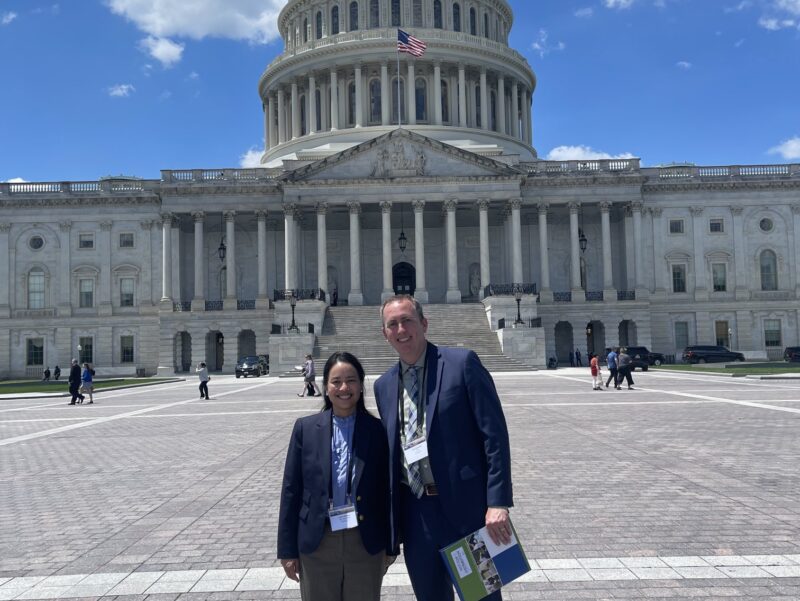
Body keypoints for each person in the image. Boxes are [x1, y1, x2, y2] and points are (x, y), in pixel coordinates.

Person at [374, 295, 513, 601]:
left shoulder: (461, 364)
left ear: (423, 323)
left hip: (467, 512)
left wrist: (498, 502)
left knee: (482, 597)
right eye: (393, 324)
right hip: (416, 516)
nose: (401, 329)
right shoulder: (383, 385)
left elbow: (494, 437)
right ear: (385, 333)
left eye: (408, 320)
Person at [278, 351, 392, 601]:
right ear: (326, 387)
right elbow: (291, 490)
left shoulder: (378, 431)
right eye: (336, 381)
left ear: (361, 386)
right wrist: (287, 550)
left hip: (364, 541)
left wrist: (392, 544)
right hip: (317, 542)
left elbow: (387, 491)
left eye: (351, 380)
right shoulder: (305, 429)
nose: (344, 387)